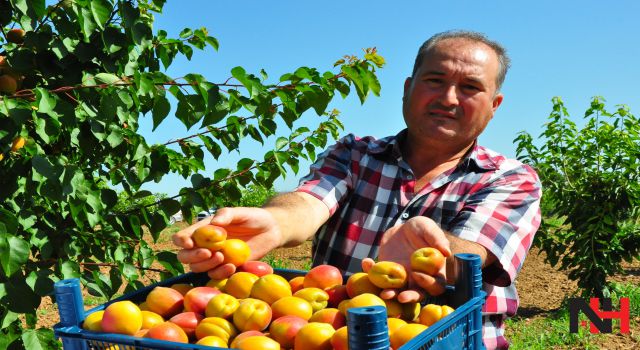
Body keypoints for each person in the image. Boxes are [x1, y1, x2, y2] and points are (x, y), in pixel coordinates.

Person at [173, 30, 541, 349]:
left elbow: (473, 252)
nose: (448, 98)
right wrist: (275, 221)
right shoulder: (354, 154)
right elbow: (309, 202)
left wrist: (435, 252)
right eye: (434, 80)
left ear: (494, 107)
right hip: (335, 337)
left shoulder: (510, 179)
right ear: (407, 89)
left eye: (470, 87)